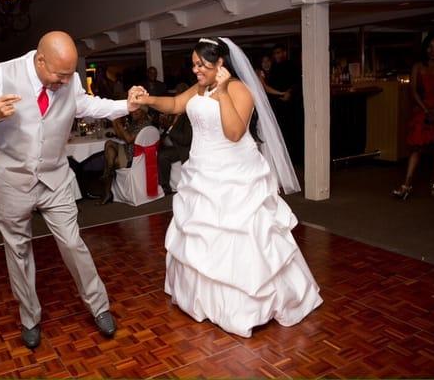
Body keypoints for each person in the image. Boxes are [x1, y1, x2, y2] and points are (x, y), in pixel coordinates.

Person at [131, 37, 322, 338]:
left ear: (220, 63)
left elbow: (234, 132)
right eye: (193, 64)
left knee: (240, 235)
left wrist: (221, 93)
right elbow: (177, 104)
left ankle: (247, 306)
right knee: (203, 235)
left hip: (234, 173)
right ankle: (205, 301)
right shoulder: (199, 87)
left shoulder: (238, 89)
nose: (196, 70)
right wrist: (148, 100)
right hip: (202, 171)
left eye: (201, 64)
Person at [0, 31, 142, 348]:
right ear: (40, 59)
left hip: (55, 179)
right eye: (59, 75)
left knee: (73, 243)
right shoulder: (2, 74)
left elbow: (86, 105)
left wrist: (124, 105)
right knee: (18, 252)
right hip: (13, 180)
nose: (64, 82)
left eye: (68, 75)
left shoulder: (68, 79)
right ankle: (29, 318)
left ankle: (99, 307)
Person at [392, 33, 434, 199]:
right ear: (425, 48)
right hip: (424, 107)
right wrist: (426, 110)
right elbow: (413, 91)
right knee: (416, 147)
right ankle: (406, 185)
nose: (433, 50)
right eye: (430, 46)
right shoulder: (418, 66)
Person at [99, 106, 151, 204]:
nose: (133, 112)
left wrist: (119, 124)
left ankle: (107, 180)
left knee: (111, 156)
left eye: (137, 110)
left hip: (134, 156)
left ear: (144, 112)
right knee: (109, 144)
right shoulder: (136, 122)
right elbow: (121, 136)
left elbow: (128, 139)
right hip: (127, 150)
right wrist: (115, 123)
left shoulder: (145, 124)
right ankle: (108, 173)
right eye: (133, 110)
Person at [266, 44, 304, 164]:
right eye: (275, 53)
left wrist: (289, 93)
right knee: (282, 133)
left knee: (295, 131)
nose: (277, 55)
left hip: (293, 105)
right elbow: (269, 87)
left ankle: (297, 158)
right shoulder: (273, 68)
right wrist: (280, 95)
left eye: (279, 52)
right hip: (278, 106)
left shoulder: (292, 66)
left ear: (284, 53)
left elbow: (298, 82)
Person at [157, 111, 192, 195]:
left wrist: (169, 127)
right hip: (171, 145)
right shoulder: (172, 116)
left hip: (182, 148)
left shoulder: (187, 117)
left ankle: (165, 187)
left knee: (163, 156)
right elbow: (167, 132)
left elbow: (185, 139)